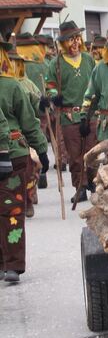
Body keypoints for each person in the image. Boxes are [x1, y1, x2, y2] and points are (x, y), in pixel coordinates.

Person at [0, 41, 49, 284]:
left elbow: (28, 121)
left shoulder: (12, 86)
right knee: (11, 210)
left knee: (10, 209)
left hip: (12, 155)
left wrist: (41, 148)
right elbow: (29, 120)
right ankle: (8, 264)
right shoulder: (12, 85)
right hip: (12, 153)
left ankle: (11, 265)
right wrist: (41, 149)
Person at [45, 20, 97, 202]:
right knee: (75, 156)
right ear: (63, 42)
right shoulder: (56, 64)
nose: (75, 43)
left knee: (92, 152)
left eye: (77, 38)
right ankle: (80, 187)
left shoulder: (89, 59)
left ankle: (94, 183)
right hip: (69, 116)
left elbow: (96, 82)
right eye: (70, 39)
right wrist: (54, 97)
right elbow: (50, 86)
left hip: (90, 114)